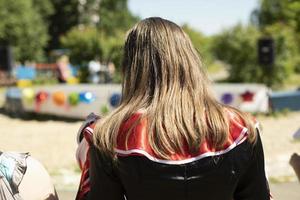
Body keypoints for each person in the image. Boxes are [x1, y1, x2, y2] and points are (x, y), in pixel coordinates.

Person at [76, 17, 272, 200]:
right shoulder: (241, 128)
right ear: (189, 61)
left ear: (131, 68)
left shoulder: (110, 135)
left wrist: (88, 146)